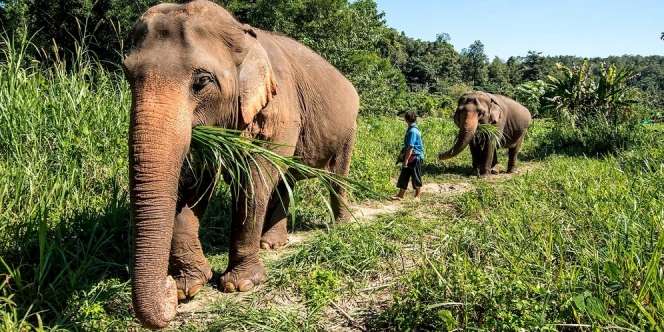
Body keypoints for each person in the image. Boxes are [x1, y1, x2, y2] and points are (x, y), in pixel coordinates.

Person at [392, 111, 425, 201]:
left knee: (415, 176)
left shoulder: (413, 131)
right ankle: (400, 195)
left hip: (415, 157)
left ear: (406, 119)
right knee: (404, 175)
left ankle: (417, 196)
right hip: (410, 156)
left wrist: (405, 160)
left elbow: (411, 147)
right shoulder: (412, 129)